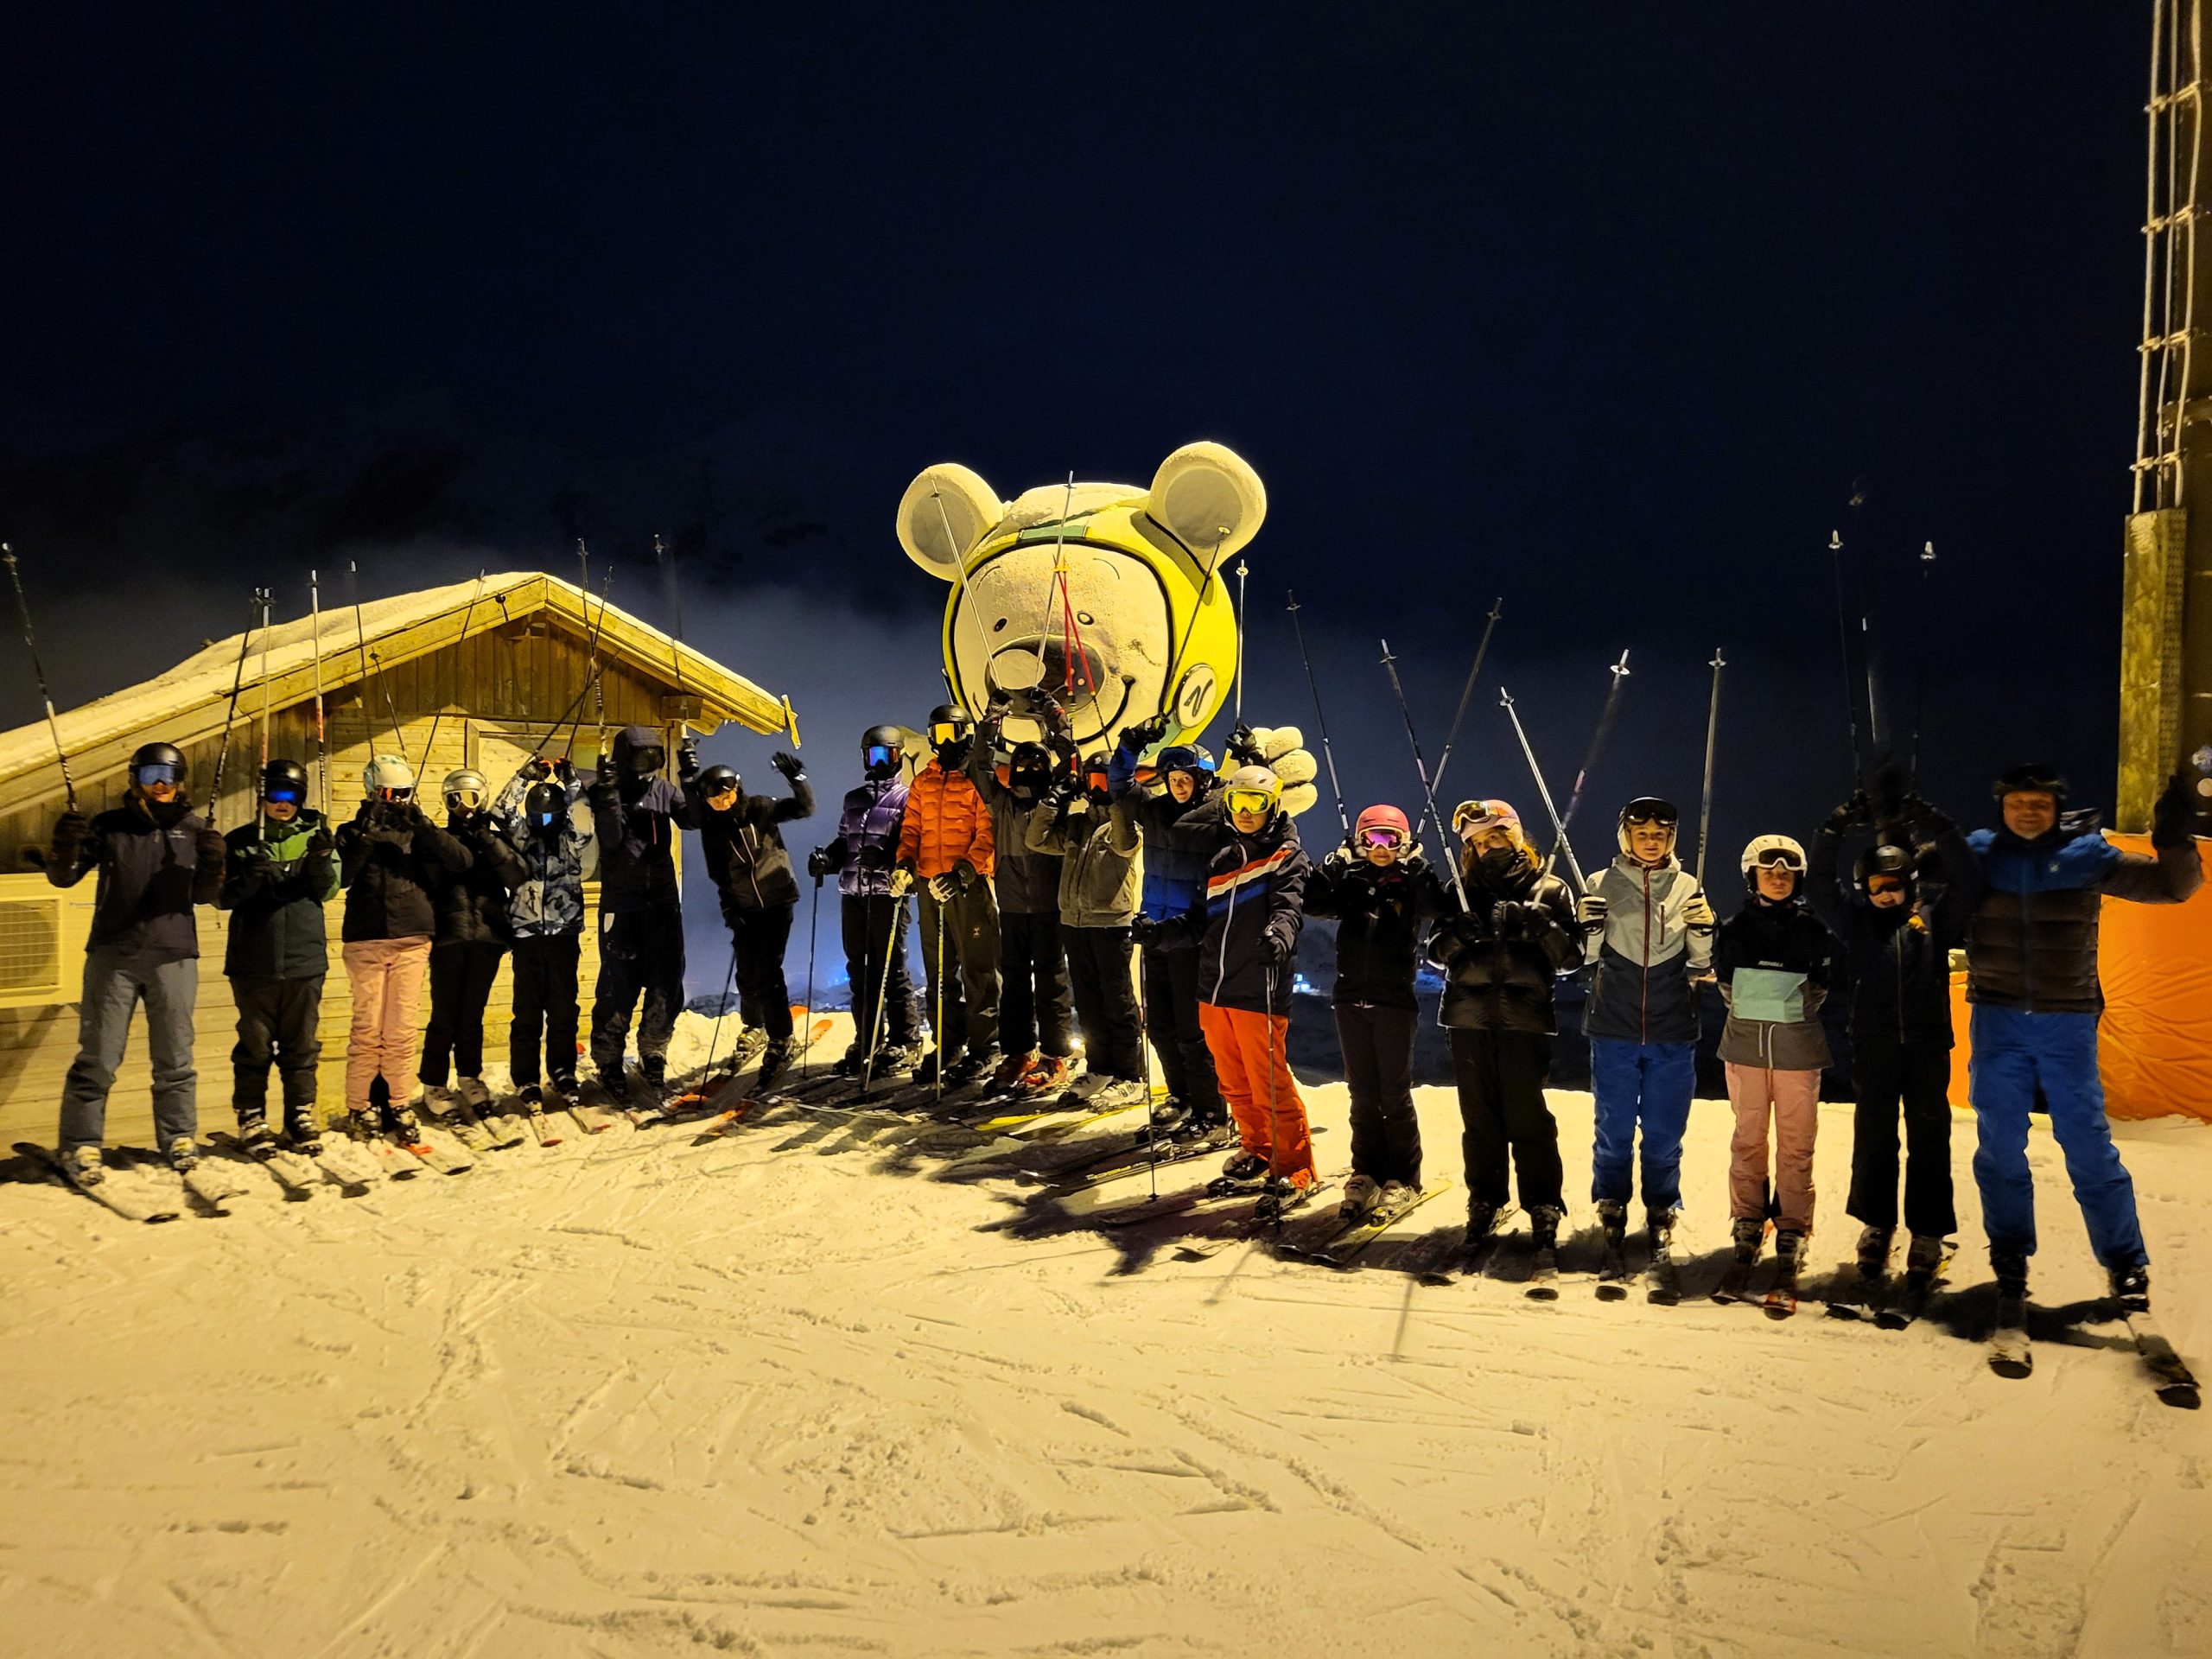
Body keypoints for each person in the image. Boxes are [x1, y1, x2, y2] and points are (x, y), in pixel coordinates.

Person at [1961, 764, 2202, 1315]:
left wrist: (2174, 840)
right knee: (1999, 1145)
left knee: (2089, 1144)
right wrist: (1896, 827)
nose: (2028, 812)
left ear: (2055, 809)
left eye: (2039, 804)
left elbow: (2174, 887)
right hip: (1998, 1017)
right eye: (2017, 802)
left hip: (2065, 1020)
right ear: (2001, 807)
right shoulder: (1977, 854)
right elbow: (1898, 878)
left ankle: (2125, 1261)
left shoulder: (2086, 856)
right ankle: (2009, 1253)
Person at [1806, 780, 1976, 1289]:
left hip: (1927, 1047)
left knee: (1930, 1138)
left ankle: (1928, 1232)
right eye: (1877, 886)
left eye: (1895, 885)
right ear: (1865, 889)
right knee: (1874, 1138)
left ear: (1911, 884)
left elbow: (1968, 876)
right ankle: (1876, 1225)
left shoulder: (1934, 921)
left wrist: (1937, 823)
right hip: (1874, 1046)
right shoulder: (1855, 924)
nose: (1886, 894)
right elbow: (1819, 884)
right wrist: (1834, 829)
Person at [45, 741, 227, 1180]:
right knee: (99, 1056)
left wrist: (213, 863)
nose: (161, 784)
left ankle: (179, 1137)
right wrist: (66, 844)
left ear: (181, 782)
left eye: (169, 776)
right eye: (150, 776)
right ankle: (81, 1143)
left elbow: (207, 895)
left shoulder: (194, 829)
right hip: (115, 955)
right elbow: (63, 878)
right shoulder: (110, 826)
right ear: (135, 780)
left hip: (174, 955)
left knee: (175, 1057)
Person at [1163, 762, 1317, 1211]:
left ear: (1273, 806)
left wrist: (1278, 938)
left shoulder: (1286, 857)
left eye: (1256, 802)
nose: (1246, 812)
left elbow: (1288, 908)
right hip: (1214, 988)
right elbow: (1199, 921)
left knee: (1269, 1084)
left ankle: (1295, 1166)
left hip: (1259, 988)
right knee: (1233, 1082)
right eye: (1237, 802)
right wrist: (1161, 933)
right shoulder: (1222, 860)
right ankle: (1257, 1148)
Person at [1425, 800, 1578, 1250]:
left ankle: (1543, 1202)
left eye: (1495, 836)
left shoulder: (1550, 888)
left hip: (1524, 1017)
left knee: (1527, 1114)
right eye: (1478, 842)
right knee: (1479, 1117)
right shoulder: (1460, 890)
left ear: (1514, 836)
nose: (1487, 847)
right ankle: (1485, 1199)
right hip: (1467, 1016)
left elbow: (1573, 958)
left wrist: (1545, 929)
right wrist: (1458, 935)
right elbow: (1434, 953)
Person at [1578, 796, 1715, 1268]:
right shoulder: (1600, 882)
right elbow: (1587, 957)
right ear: (1627, 836)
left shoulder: (1689, 885)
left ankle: (1661, 1205)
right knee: (1613, 1128)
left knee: (1664, 1130)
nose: (1652, 842)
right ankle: (1611, 1200)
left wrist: (1704, 931)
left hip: (1672, 1026)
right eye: (1642, 834)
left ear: (1672, 838)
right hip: (1613, 1025)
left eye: (1660, 835)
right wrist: (1587, 927)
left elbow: (1701, 963)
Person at [1306, 804, 1446, 1219]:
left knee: (1394, 1093)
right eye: (1371, 839)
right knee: (1362, 1092)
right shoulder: (1353, 881)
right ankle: (1366, 1170)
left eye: (1391, 839)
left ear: (1404, 843)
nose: (1381, 847)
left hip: (1394, 1002)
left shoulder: (1409, 884)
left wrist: (1417, 865)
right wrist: (1335, 864)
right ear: (1359, 842)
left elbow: (1436, 906)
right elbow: (1313, 902)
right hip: (1349, 998)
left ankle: (1404, 1177)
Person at [1713, 834, 1834, 1289]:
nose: (1779, 878)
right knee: (1748, 1138)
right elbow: (1727, 986)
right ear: (1752, 876)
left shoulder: (1813, 930)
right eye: (1769, 871)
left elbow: (1819, 988)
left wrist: (1776, 1007)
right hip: (1745, 1050)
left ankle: (1792, 1224)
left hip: (1797, 1052)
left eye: (1787, 872)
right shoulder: (1733, 929)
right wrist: (1771, 1003)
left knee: (1797, 1142)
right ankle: (1747, 1218)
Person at [334, 754, 472, 1137]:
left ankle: (398, 1102)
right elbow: (341, 878)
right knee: (367, 1028)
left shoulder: (416, 832)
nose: (395, 800)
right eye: (387, 793)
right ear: (371, 793)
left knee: (401, 1028)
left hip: (411, 937)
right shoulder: (350, 831)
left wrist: (424, 826)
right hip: (365, 938)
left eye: (403, 793)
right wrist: (366, 836)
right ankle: (360, 1105)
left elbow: (461, 861)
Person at [218, 758, 340, 1151]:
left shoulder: (318, 837)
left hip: (304, 961)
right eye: (274, 794)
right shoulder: (241, 840)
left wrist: (320, 861)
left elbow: (328, 890)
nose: (282, 803)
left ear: (301, 798)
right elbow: (220, 897)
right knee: (254, 1046)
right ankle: (251, 1117)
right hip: (254, 963)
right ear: (262, 797)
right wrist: (246, 880)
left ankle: (299, 1115)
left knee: (301, 1044)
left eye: (290, 795)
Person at [1114, 725, 1227, 1138]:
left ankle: (1211, 1109)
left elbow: (1254, 806)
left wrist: (1253, 761)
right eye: (1173, 779)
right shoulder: (1156, 810)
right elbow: (1120, 787)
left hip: (1193, 935)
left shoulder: (1218, 814)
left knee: (1192, 1031)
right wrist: (1129, 747)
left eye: (1186, 779)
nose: (1178, 786)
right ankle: (1180, 1095)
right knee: (1161, 1026)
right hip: (1155, 930)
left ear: (1204, 780)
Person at [1024, 753, 1146, 1109]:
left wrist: (1118, 799)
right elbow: (1036, 839)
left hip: (1111, 923)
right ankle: (1100, 1068)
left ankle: (1130, 1075)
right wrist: (1054, 799)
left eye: (1105, 780)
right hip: (1074, 922)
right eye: (1093, 780)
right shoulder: (1077, 824)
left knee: (1118, 1002)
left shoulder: (1128, 823)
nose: (1098, 788)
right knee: (1090, 1005)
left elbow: (1125, 844)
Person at [687, 750, 814, 1089]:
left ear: (738, 789)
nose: (723, 803)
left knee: (768, 972)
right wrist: (731, 912)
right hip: (745, 908)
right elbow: (718, 875)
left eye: (727, 796)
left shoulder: (759, 808)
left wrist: (797, 779)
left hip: (777, 900)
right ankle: (755, 1025)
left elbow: (804, 808)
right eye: (715, 800)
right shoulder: (712, 829)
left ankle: (781, 1038)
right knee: (746, 970)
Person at [588, 724, 697, 1100]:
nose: (648, 765)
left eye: (654, 757)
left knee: (667, 982)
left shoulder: (663, 790)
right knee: (618, 984)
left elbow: (694, 819)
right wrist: (608, 795)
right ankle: (608, 1060)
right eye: (641, 757)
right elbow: (611, 840)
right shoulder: (605, 792)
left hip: (662, 902)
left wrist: (690, 776)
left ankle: (653, 1050)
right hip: (622, 906)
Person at [894, 703, 1000, 1088]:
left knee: (978, 968)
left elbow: (988, 831)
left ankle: (986, 1046)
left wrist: (964, 872)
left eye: (950, 733)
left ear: (965, 734)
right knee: (939, 970)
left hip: (967, 886)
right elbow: (911, 828)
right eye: (937, 734)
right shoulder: (924, 781)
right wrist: (905, 862)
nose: (944, 742)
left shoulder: (976, 779)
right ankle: (949, 1043)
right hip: (929, 884)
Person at [971, 707, 1075, 1096]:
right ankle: (1018, 1053)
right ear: (1012, 769)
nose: (1030, 768)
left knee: (1052, 982)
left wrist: (1055, 720)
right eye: (1022, 763)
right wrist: (989, 724)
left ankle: (1055, 1055)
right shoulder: (1001, 802)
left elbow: (1072, 760)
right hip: (1012, 907)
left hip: (1050, 907)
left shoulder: (1057, 799)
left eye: (1037, 762)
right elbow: (979, 767)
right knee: (1013, 984)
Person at [809, 725, 923, 1076]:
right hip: (854, 894)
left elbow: (913, 845)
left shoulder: (908, 799)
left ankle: (905, 1041)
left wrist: (888, 858)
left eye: (887, 755)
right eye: (873, 755)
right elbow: (846, 841)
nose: (879, 762)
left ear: (899, 756)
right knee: (859, 971)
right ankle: (867, 1039)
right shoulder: (854, 799)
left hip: (889, 894)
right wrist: (828, 860)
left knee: (891, 969)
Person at [418, 767, 524, 1113]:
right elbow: (432, 880)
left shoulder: (492, 838)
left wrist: (487, 839)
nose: (464, 806)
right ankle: (434, 1083)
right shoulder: (437, 840)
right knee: (444, 1013)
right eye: (455, 799)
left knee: (472, 1013)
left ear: (483, 799)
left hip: (486, 935)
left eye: (471, 798)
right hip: (449, 935)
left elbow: (516, 875)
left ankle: (469, 1075)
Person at [496, 758, 595, 1112]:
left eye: (551, 817)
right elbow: (501, 810)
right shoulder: (521, 835)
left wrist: (572, 782)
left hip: (563, 935)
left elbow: (584, 818)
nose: (545, 824)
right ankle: (526, 1078)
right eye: (539, 817)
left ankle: (563, 1071)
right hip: (527, 937)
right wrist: (524, 777)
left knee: (563, 1010)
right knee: (526, 1013)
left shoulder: (570, 838)